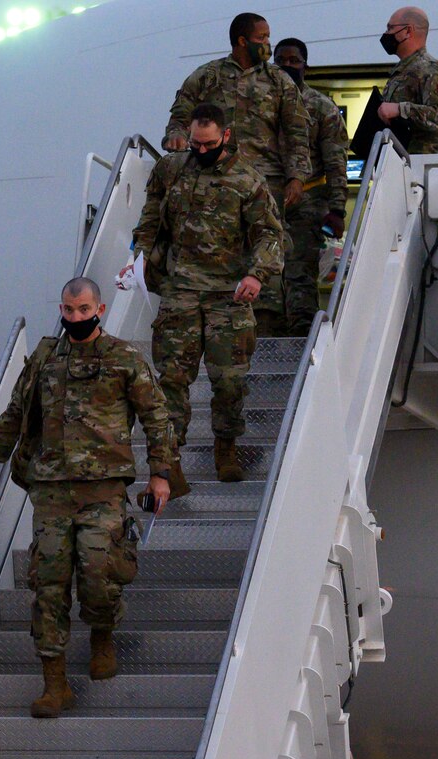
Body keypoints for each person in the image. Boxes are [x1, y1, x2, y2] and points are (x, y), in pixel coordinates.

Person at [0, 278, 175, 718]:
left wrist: (161, 475)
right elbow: (15, 414)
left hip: (104, 490)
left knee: (99, 575)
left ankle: (102, 634)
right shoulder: (44, 358)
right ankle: (55, 684)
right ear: (62, 309)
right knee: (48, 587)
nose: (74, 317)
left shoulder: (125, 358)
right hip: (50, 490)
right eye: (68, 310)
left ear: (100, 308)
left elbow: (157, 417)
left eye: (83, 309)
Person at [130, 103, 283, 482]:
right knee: (172, 380)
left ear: (226, 137)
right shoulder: (172, 168)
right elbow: (151, 215)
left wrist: (257, 275)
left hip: (227, 293)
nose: (200, 151)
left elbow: (270, 234)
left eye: (209, 144)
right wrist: (138, 256)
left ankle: (226, 447)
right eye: (195, 145)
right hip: (179, 288)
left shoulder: (247, 180)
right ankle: (171, 461)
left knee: (229, 379)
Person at [163, 12, 311, 335]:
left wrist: (297, 176)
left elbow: (297, 133)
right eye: (263, 38)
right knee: (217, 250)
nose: (268, 45)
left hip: (265, 183)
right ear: (242, 41)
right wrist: (176, 135)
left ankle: (268, 330)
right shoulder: (208, 77)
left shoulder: (279, 82)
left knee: (268, 247)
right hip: (216, 180)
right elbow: (181, 112)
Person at [274, 38, 349, 336]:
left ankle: (301, 341)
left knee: (300, 272)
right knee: (266, 273)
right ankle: (269, 338)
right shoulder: (261, 106)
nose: (288, 66)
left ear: (306, 65)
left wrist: (337, 208)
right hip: (267, 198)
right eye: (282, 60)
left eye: (294, 60)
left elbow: (335, 161)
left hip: (307, 199)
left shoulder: (321, 106)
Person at [378, 6, 438, 153]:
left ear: (408, 31)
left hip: (425, 166)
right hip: (405, 163)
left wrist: (400, 109)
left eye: (390, 28)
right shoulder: (403, 70)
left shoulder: (428, 69)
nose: (386, 34)